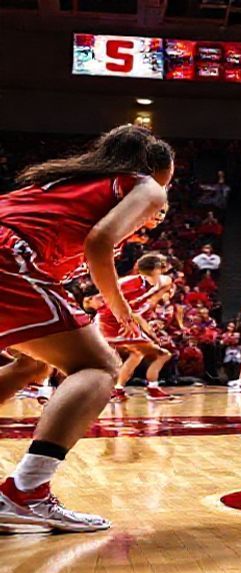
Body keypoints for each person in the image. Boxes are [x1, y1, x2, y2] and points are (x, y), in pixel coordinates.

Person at [0, 124, 173, 532]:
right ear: (158, 169)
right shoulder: (146, 185)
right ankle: (27, 492)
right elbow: (98, 242)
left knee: (31, 365)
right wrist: (119, 305)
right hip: (9, 257)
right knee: (99, 367)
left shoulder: (68, 179)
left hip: (12, 255)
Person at [94, 253, 176, 402]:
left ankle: (118, 389)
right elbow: (99, 299)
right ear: (157, 268)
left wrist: (147, 330)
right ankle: (151, 388)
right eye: (162, 265)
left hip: (122, 321)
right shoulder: (131, 282)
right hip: (112, 321)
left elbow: (137, 313)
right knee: (161, 354)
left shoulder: (158, 284)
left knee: (137, 354)